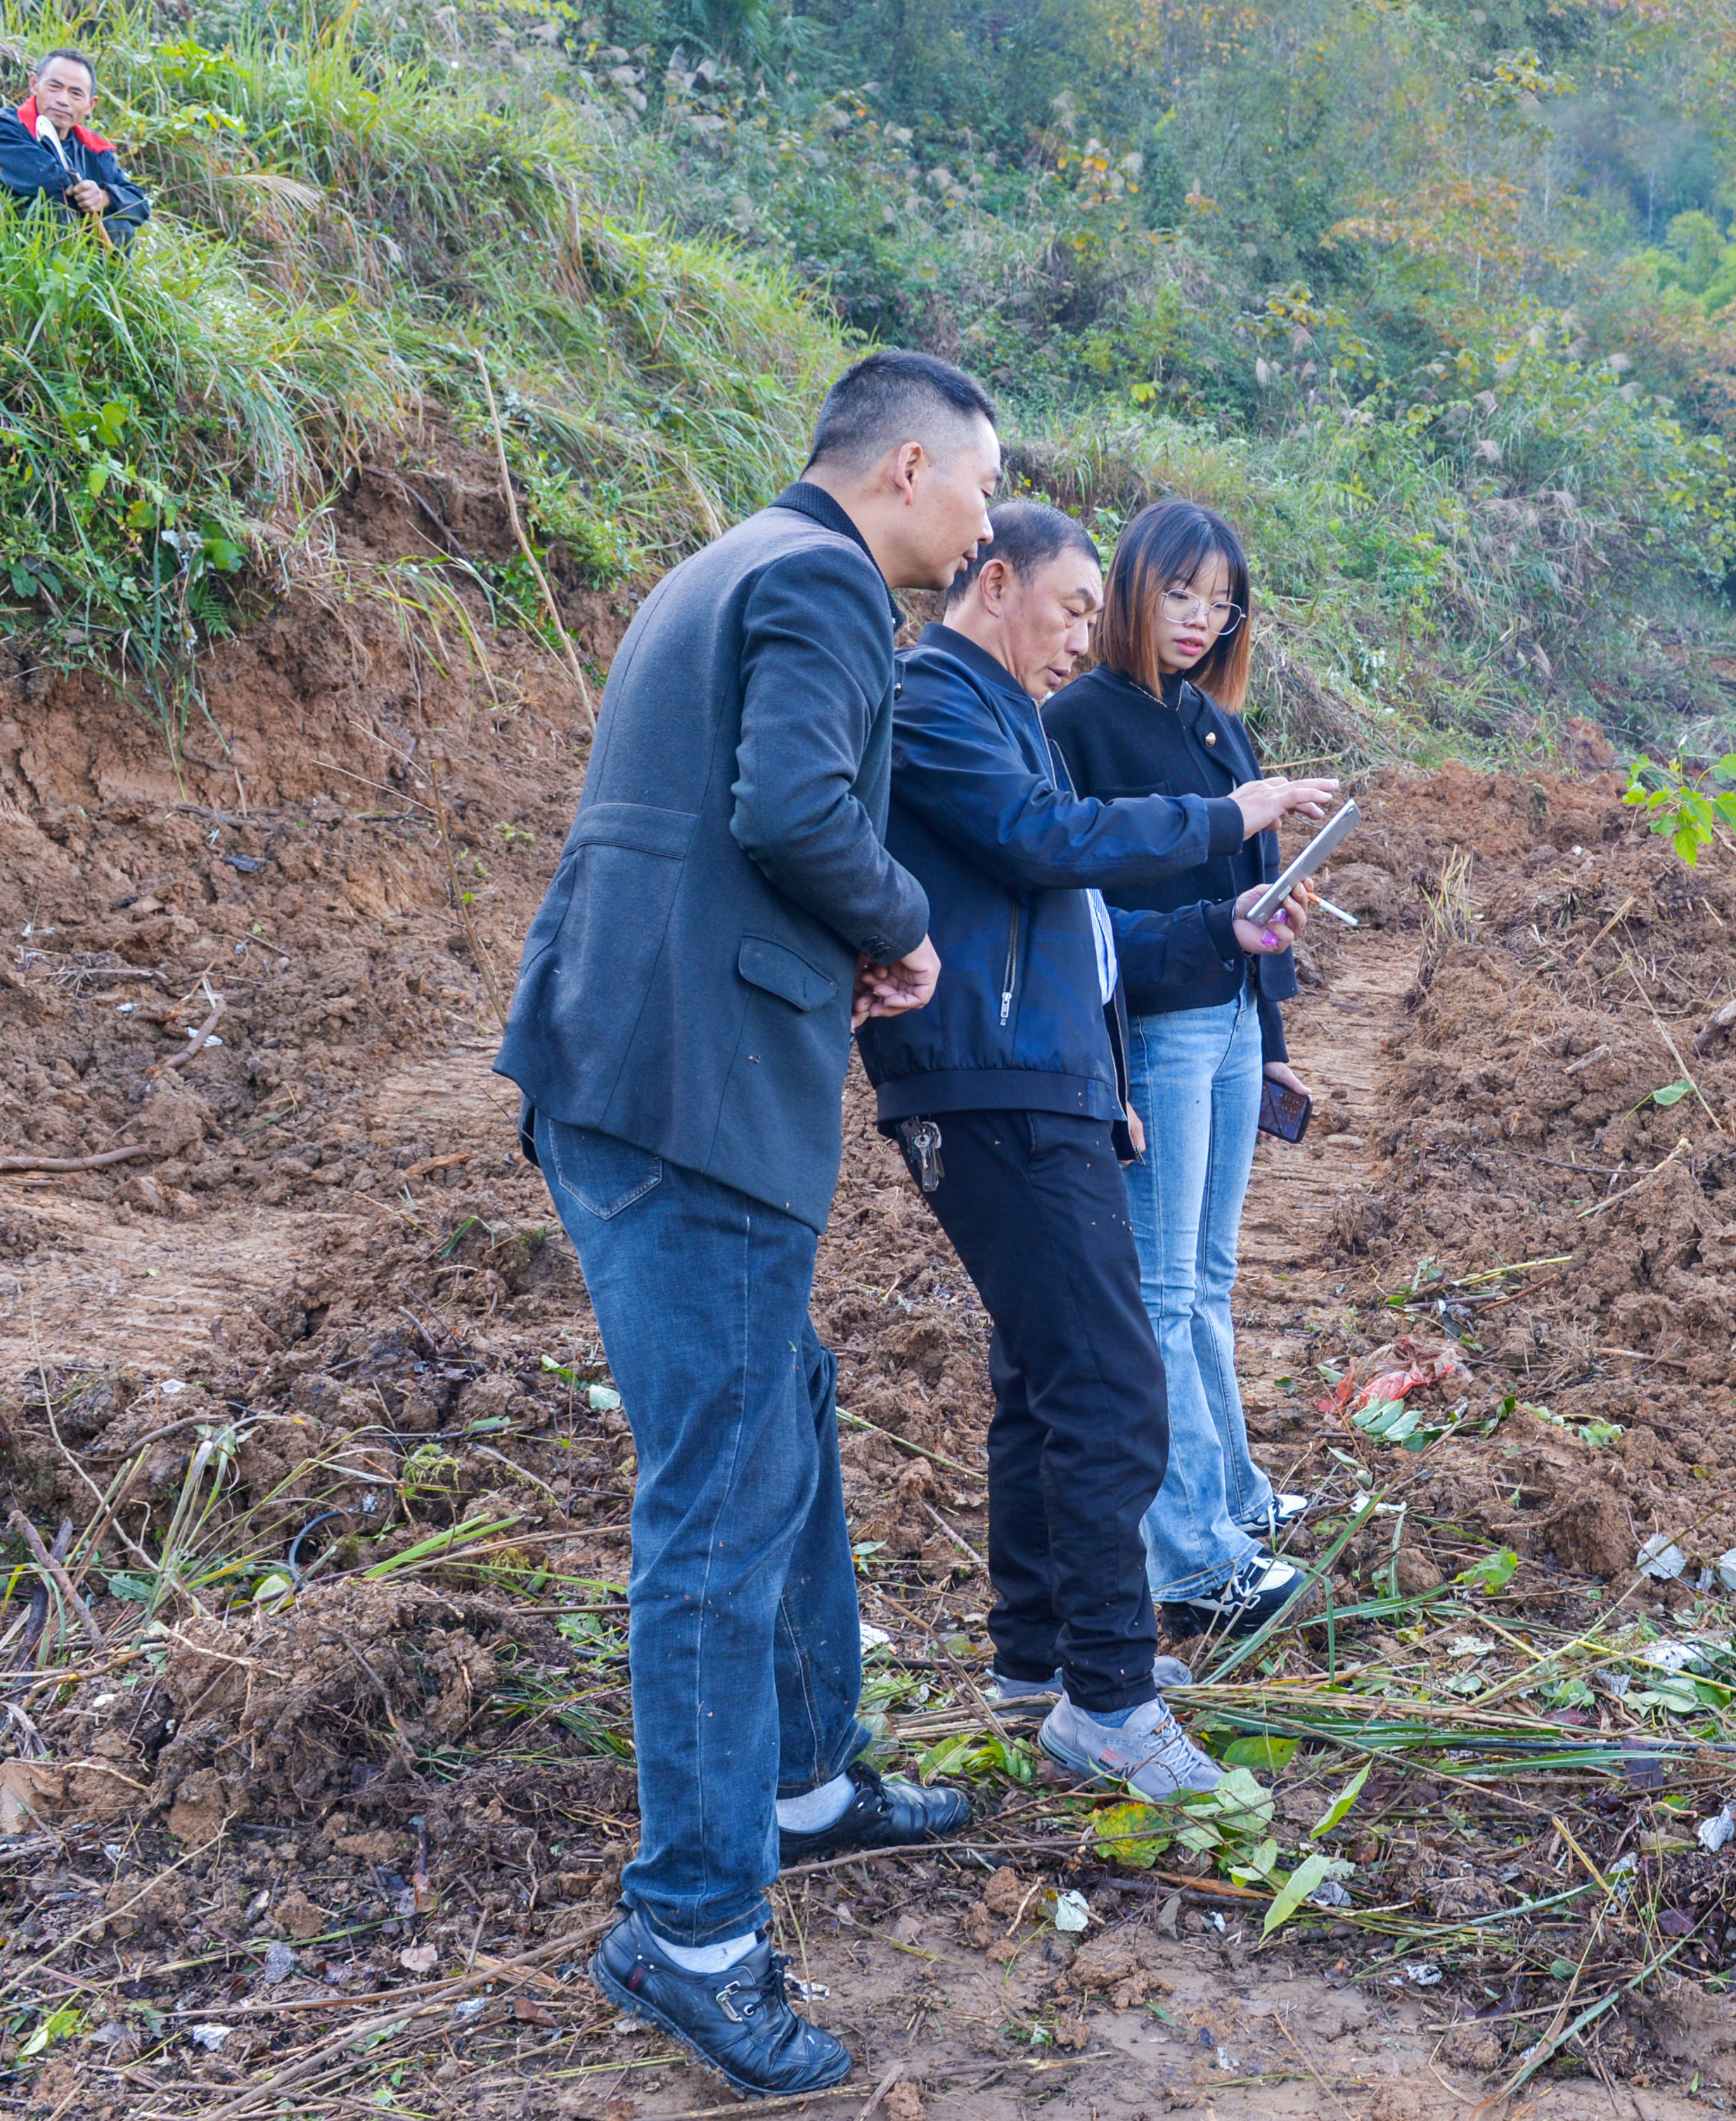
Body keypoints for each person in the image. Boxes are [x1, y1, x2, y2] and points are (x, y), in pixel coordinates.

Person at [494, 351, 994, 2099]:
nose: (987, 525)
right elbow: (790, 810)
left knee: (782, 1403)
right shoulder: (824, 579)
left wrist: (819, 938)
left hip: (626, 1053)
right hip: (688, 1087)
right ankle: (692, 1930)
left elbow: (715, 826)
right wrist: (902, 927)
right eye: (982, 490)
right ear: (908, 463)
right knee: (715, 1491)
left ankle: (806, 1774)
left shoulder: (715, 565)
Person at [856, 502, 1335, 1800]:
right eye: (1072, 609)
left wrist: (1147, 1017)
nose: (1082, 637)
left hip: (1044, 1072)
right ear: (995, 583)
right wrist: (1225, 814)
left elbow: (1078, 927)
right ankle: (1112, 1703)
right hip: (989, 1077)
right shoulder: (937, 698)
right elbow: (1047, 846)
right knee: (1117, 1380)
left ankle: (1043, 1664)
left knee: (1044, 1375)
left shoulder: (998, 707)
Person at [1046, 499, 1318, 1636]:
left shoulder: (1217, 724)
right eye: (1181, 594)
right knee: (1163, 1290)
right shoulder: (1079, 721)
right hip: (1159, 1027)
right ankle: (1191, 1557)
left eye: (1222, 602)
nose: (1203, 619)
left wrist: (1280, 1046)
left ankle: (1234, 1503)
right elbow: (1085, 910)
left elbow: (1252, 899)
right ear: (1129, 591)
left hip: (1232, 1021)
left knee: (1207, 1278)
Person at [0, 52, 150, 248]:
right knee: (52, 210)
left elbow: (140, 206)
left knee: (121, 225)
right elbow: (51, 184)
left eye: (76, 93)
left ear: (90, 105)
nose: (63, 100)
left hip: (81, 266)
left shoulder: (94, 150)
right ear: (34, 84)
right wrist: (85, 194)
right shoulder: (3, 128)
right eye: (54, 87)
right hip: (11, 251)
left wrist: (104, 197)